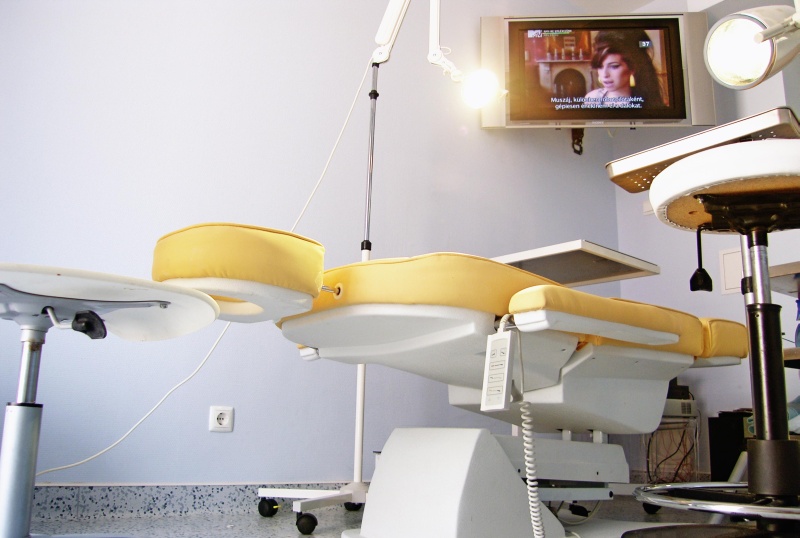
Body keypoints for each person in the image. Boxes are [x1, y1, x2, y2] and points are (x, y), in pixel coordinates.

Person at [584, 30, 665, 109]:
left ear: (633, 68)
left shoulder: (649, 104)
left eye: (614, 66)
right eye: (600, 66)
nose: (604, 74)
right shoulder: (592, 99)